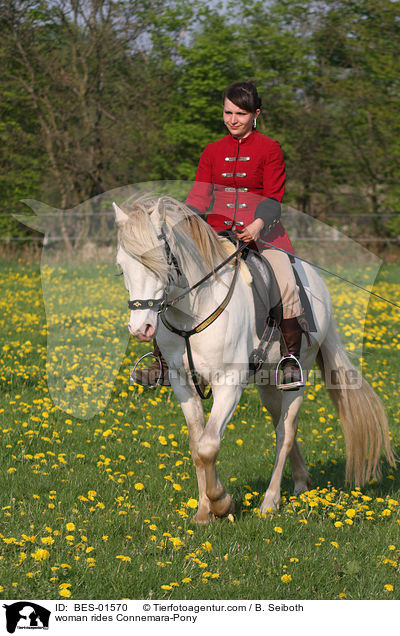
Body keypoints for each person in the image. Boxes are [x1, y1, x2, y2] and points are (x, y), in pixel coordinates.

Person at [133, 81, 305, 390]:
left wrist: (256, 225)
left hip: (263, 235)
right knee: (173, 278)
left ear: (256, 114)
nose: (233, 120)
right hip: (216, 233)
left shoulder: (270, 148)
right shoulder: (213, 151)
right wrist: (181, 224)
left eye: (241, 113)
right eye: (228, 112)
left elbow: (273, 197)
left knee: (286, 282)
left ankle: (289, 360)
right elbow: (199, 197)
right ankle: (160, 360)